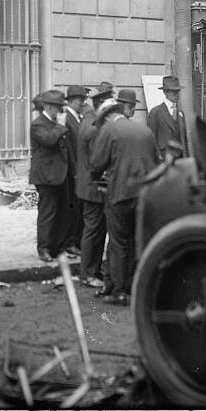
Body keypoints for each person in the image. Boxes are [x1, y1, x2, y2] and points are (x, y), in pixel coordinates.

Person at [90, 90, 161, 306]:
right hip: (145, 194)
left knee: (119, 242)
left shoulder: (109, 130)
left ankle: (119, 291)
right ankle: (135, 285)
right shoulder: (144, 130)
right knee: (137, 240)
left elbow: (95, 164)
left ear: (105, 117)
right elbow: (156, 161)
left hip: (120, 194)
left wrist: (101, 175)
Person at [29, 89, 72, 263]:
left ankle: (56, 247)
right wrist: (60, 126)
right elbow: (48, 140)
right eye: (56, 107)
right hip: (45, 176)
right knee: (47, 213)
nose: (59, 110)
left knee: (61, 212)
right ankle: (43, 248)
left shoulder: (53, 122)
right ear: (47, 106)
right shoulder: (38, 123)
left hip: (59, 175)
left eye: (60, 107)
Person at [74, 86, 108, 288]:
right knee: (94, 231)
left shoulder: (87, 121)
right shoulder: (95, 128)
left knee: (92, 229)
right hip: (94, 187)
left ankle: (91, 270)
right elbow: (98, 162)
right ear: (100, 105)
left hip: (86, 186)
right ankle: (88, 273)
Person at [61, 85, 89, 258]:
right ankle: (69, 242)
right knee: (72, 208)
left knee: (78, 207)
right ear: (71, 101)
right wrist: (74, 170)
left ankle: (75, 242)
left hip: (79, 169)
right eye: (80, 100)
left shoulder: (77, 118)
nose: (82, 103)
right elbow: (69, 148)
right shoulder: (66, 119)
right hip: (72, 172)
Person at [147, 75, 188, 156]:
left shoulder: (180, 113)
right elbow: (151, 140)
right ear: (165, 92)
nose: (177, 95)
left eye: (178, 91)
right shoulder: (155, 113)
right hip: (164, 159)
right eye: (173, 92)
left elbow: (184, 139)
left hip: (180, 160)